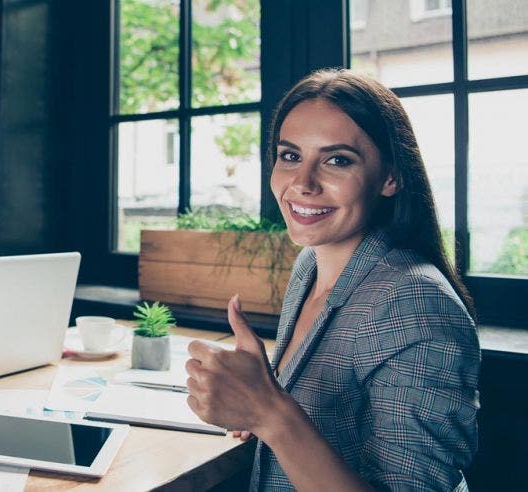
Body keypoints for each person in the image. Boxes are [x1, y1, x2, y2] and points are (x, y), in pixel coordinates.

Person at [185, 69, 480, 491]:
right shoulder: (311, 265)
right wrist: (253, 404)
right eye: (290, 156)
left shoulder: (416, 303)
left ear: (391, 177)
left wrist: (271, 413)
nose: (302, 184)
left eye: (337, 160)